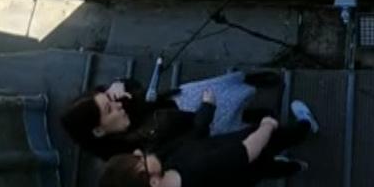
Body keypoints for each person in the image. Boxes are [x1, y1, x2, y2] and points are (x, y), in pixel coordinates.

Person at [97, 100, 319, 187]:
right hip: (243, 150)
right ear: (153, 182)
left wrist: (205, 111)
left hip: (236, 184)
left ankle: (294, 167)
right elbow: (247, 151)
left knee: (263, 170)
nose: (138, 152)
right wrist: (267, 126)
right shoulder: (200, 166)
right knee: (279, 140)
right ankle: (307, 125)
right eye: (139, 160)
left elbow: (190, 140)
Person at [61, 71, 278, 160]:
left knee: (228, 89)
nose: (117, 107)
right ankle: (255, 120)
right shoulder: (130, 154)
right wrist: (203, 116)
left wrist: (121, 83)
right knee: (235, 125)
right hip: (199, 126)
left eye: (109, 100)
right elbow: (181, 151)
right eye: (109, 110)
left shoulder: (120, 103)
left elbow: (139, 89)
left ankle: (250, 83)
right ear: (98, 130)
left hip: (181, 101)